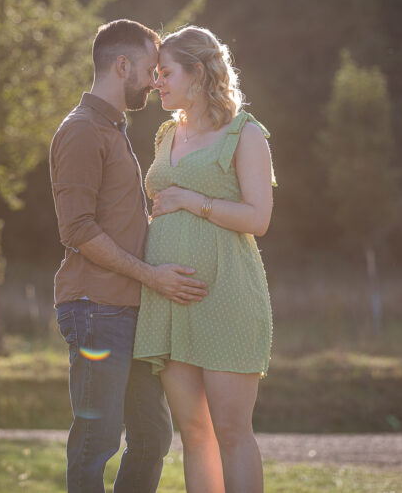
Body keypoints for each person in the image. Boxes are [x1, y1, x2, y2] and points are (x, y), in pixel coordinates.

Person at [49, 19, 209, 493]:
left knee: (153, 436)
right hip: (96, 308)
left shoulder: (112, 128)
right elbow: (77, 230)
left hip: (130, 308)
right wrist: (152, 276)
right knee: (98, 436)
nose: (156, 79)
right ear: (122, 65)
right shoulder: (81, 131)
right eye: (148, 69)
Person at [133, 26, 276, 493]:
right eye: (155, 74)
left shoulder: (244, 133)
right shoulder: (165, 134)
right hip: (171, 302)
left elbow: (258, 218)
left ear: (197, 73)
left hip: (226, 298)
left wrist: (191, 201)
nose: (157, 82)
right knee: (194, 434)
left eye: (165, 72)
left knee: (232, 433)